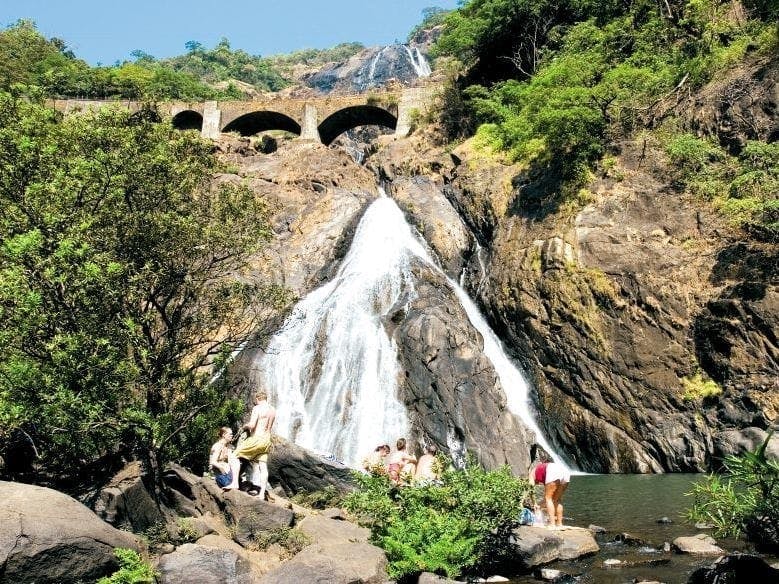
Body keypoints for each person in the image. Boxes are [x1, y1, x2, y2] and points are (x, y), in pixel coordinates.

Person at [224, 391, 276, 500]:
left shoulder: (257, 408)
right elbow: (269, 427)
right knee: (263, 466)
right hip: (266, 440)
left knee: (233, 456)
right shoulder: (272, 410)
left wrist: (244, 426)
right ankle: (261, 494)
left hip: (256, 439)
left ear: (257, 399)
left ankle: (234, 483)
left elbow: (252, 425)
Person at [528, 454, 571, 528]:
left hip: (553, 471)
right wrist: (540, 506)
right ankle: (559, 524)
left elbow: (530, 488)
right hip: (565, 471)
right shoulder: (543, 472)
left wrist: (534, 503)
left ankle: (552, 524)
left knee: (549, 499)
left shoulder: (532, 472)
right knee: (557, 500)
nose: (538, 484)